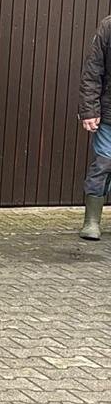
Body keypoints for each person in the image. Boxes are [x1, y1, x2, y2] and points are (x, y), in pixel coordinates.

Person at [78, 14, 111, 240]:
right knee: (103, 164)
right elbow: (92, 72)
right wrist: (89, 110)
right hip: (109, 116)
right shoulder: (108, 27)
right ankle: (91, 222)